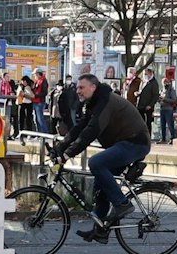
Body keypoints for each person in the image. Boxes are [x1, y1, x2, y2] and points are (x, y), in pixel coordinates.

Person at [50, 73, 150, 243]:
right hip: (122, 143)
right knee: (100, 185)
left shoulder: (106, 102)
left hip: (135, 142)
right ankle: (101, 229)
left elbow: (91, 132)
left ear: (93, 87)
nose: (78, 91)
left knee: (95, 163)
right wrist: (60, 147)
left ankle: (122, 204)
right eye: (77, 88)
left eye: (81, 88)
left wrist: (68, 154)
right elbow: (79, 128)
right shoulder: (94, 103)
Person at [158, 74, 177, 144]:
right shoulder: (161, 90)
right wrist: (159, 99)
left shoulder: (171, 90)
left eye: (166, 82)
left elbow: (174, 99)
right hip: (162, 109)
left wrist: (165, 99)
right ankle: (163, 138)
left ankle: (172, 138)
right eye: (163, 82)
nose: (164, 84)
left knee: (170, 124)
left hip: (169, 109)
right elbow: (160, 98)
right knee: (162, 125)